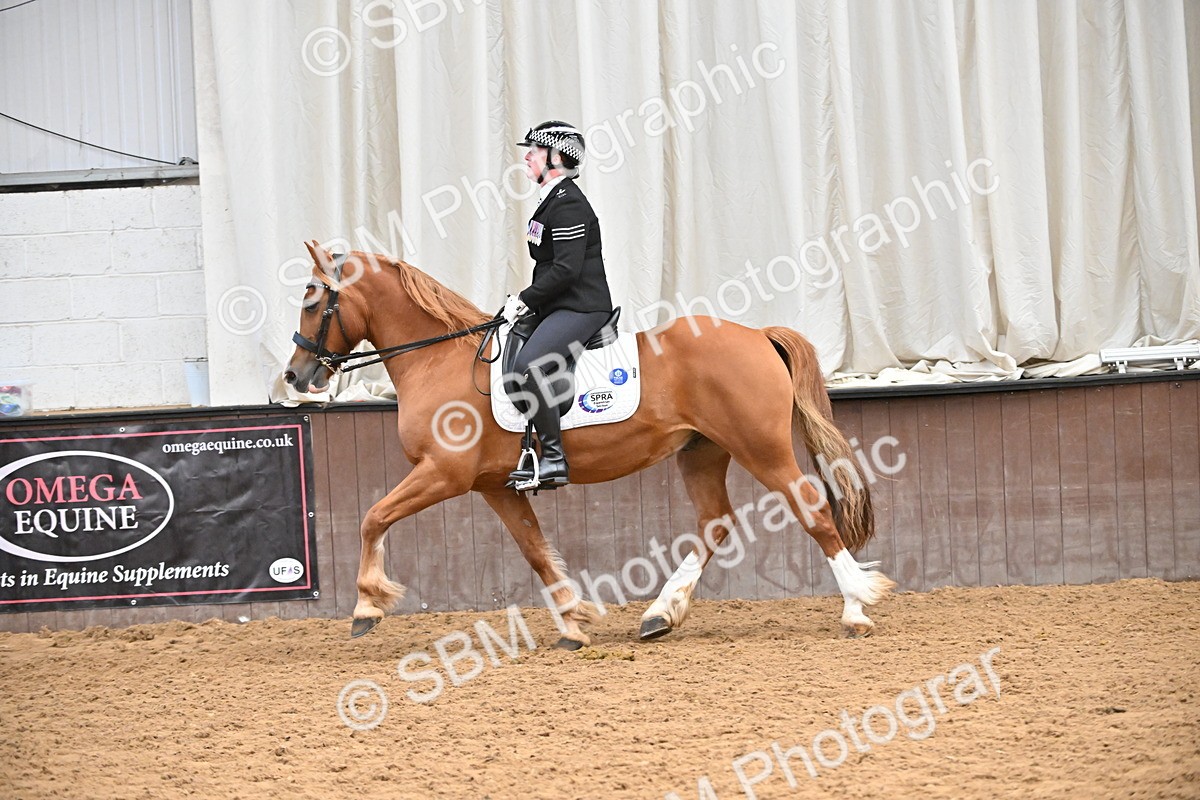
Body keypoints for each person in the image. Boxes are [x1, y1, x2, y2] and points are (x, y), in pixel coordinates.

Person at [502, 120, 613, 489]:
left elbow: (566, 270)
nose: (528, 157)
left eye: (534, 150)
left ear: (556, 157)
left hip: (581, 305)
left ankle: (553, 459)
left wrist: (525, 300)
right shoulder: (551, 199)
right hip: (559, 303)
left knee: (531, 367)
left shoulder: (568, 205)